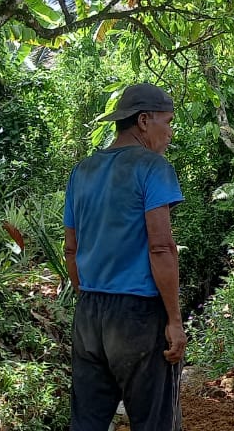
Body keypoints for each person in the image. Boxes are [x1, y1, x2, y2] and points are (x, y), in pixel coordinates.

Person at [64, 83, 185, 431]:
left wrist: (89, 298)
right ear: (144, 121)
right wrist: (174, 320)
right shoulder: (152, 167)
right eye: (167, 122)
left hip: (89, 313)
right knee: (155, 422)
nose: (170, 132)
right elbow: (161, 247)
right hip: (139, 314)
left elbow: (71, 249)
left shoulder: (82, 171)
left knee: (86, 422)